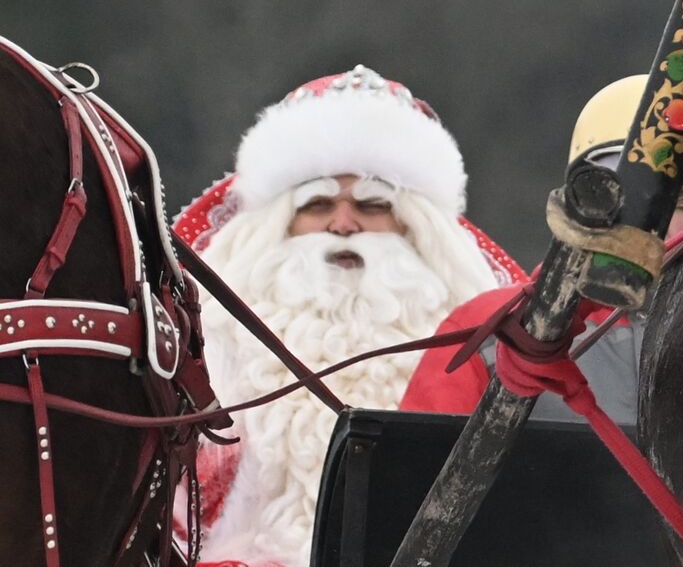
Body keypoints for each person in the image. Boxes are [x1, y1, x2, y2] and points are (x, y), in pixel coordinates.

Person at [174, 65, 523, 567]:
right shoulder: (209, 352)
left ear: (416, 226)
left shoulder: (482, 352)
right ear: (276, 224)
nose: (342, 224)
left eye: (371, 205)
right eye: (316, 204)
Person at [400, 74, 683, 424]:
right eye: (620, 194)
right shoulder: (486, 332)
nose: (644, 215)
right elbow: (420, 472)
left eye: (672, 194)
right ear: (578, 203)